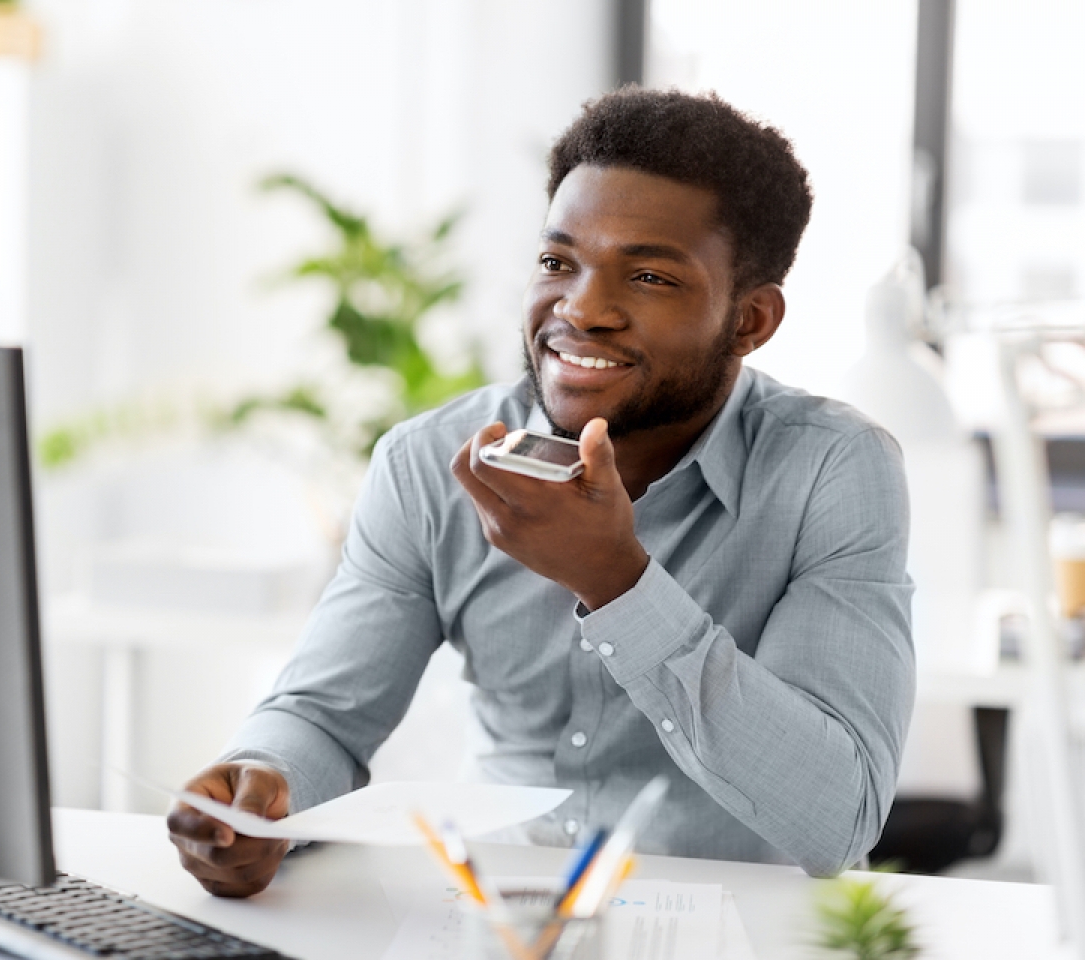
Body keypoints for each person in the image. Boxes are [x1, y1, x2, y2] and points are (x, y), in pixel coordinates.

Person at [166, 87, 914, 897]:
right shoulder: (428, 465)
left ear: (751, 321)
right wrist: (262, 788)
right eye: (558, 262)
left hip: (736, 928)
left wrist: (619, 583)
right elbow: (320, 717)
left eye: (652, 276)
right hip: (499, 919)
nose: (581, 309)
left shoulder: (834, 471)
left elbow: (837, 820)